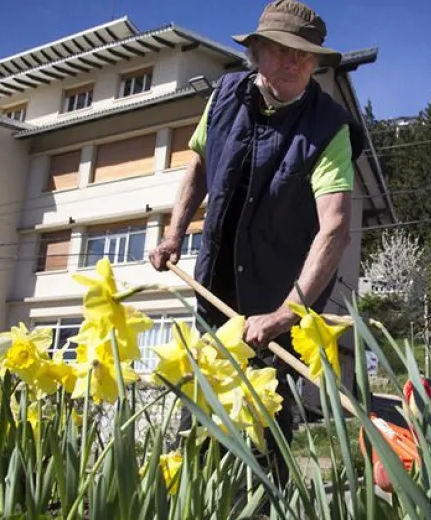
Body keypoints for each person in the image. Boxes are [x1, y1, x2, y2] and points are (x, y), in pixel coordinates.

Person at [148, 0, 365, 490]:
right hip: (214, 290)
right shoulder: (224, 95)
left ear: (316, 64)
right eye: (282, 50)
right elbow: (200, 166)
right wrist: (174, 232)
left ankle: (268, 504)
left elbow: (334, 228)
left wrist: (289, 311)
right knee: (203, 413)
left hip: (279, 300)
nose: (293, 63)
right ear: (257, 52)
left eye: (306, 57)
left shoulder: (330, 129)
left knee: (267, 426)